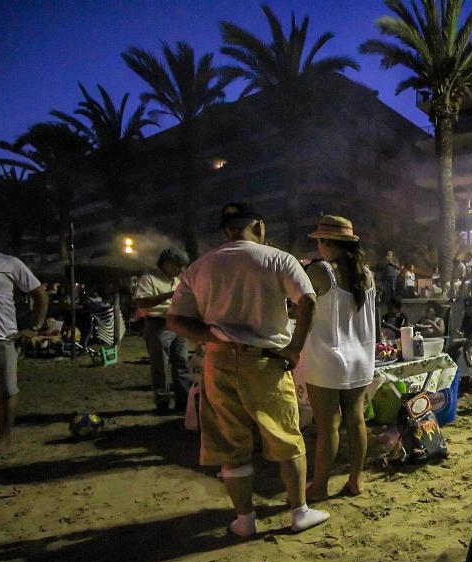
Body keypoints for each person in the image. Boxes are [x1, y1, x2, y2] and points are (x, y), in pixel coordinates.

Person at [167, 202, 327, 536]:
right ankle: (299, 511)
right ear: (259, 226)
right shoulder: (277, 259)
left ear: (226, 230)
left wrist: (211, 337)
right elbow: (308, 301)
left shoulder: (199, 267)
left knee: (230, 444)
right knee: (286, 438)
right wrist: (295, 348)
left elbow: (175, 318)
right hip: (265, 361)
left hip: (218, 361)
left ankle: (244, 520)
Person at [297, 216, 376, 500]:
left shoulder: (320, 271)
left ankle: (319, 486)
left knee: (328, 424)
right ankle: (356, 480)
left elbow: (300, 306)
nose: (318, 246)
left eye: (319, 241)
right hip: (360, 356)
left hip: (328, 357)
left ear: (329, 243)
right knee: (356, 420)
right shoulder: (366, 273)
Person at [0, 251, 48, 452]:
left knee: (7, 389)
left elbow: (40, 295)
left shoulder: (8, 263)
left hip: (2, 338)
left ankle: (4, 434)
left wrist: (34, 328)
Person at [134, 248, 191, 412]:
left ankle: (183, 401)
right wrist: (168, 295)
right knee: (160, 365)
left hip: (177, 323)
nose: (181, 270)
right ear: (166, 264)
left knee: (181, 363)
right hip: (158, 324)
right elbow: (141, 302)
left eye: (182, 266)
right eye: (178, 266)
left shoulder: (178, 279)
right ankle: (162, 402)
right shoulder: (150, 278)